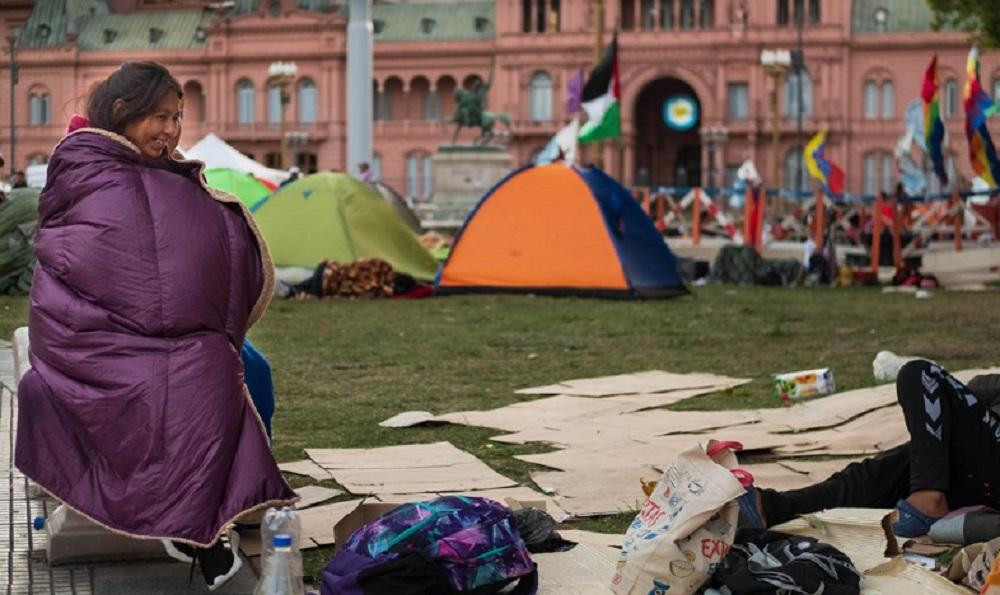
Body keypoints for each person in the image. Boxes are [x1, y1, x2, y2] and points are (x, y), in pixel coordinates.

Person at [14, 62, 296, 591]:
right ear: (123, 114)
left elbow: (172, 238)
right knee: (197, 379)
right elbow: (96, 253)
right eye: (160, 117)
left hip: (166, 333)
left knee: (244, 367)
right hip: (90, 337)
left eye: (178, 117)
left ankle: (218, 507)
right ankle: (193, 528)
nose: (170, 129)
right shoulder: (87, 167)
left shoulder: (157, 166)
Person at [751, 361, 1000, 537]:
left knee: (920, 374)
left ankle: (929, 501)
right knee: (894, 466)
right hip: (974, 471)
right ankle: (773, 507)